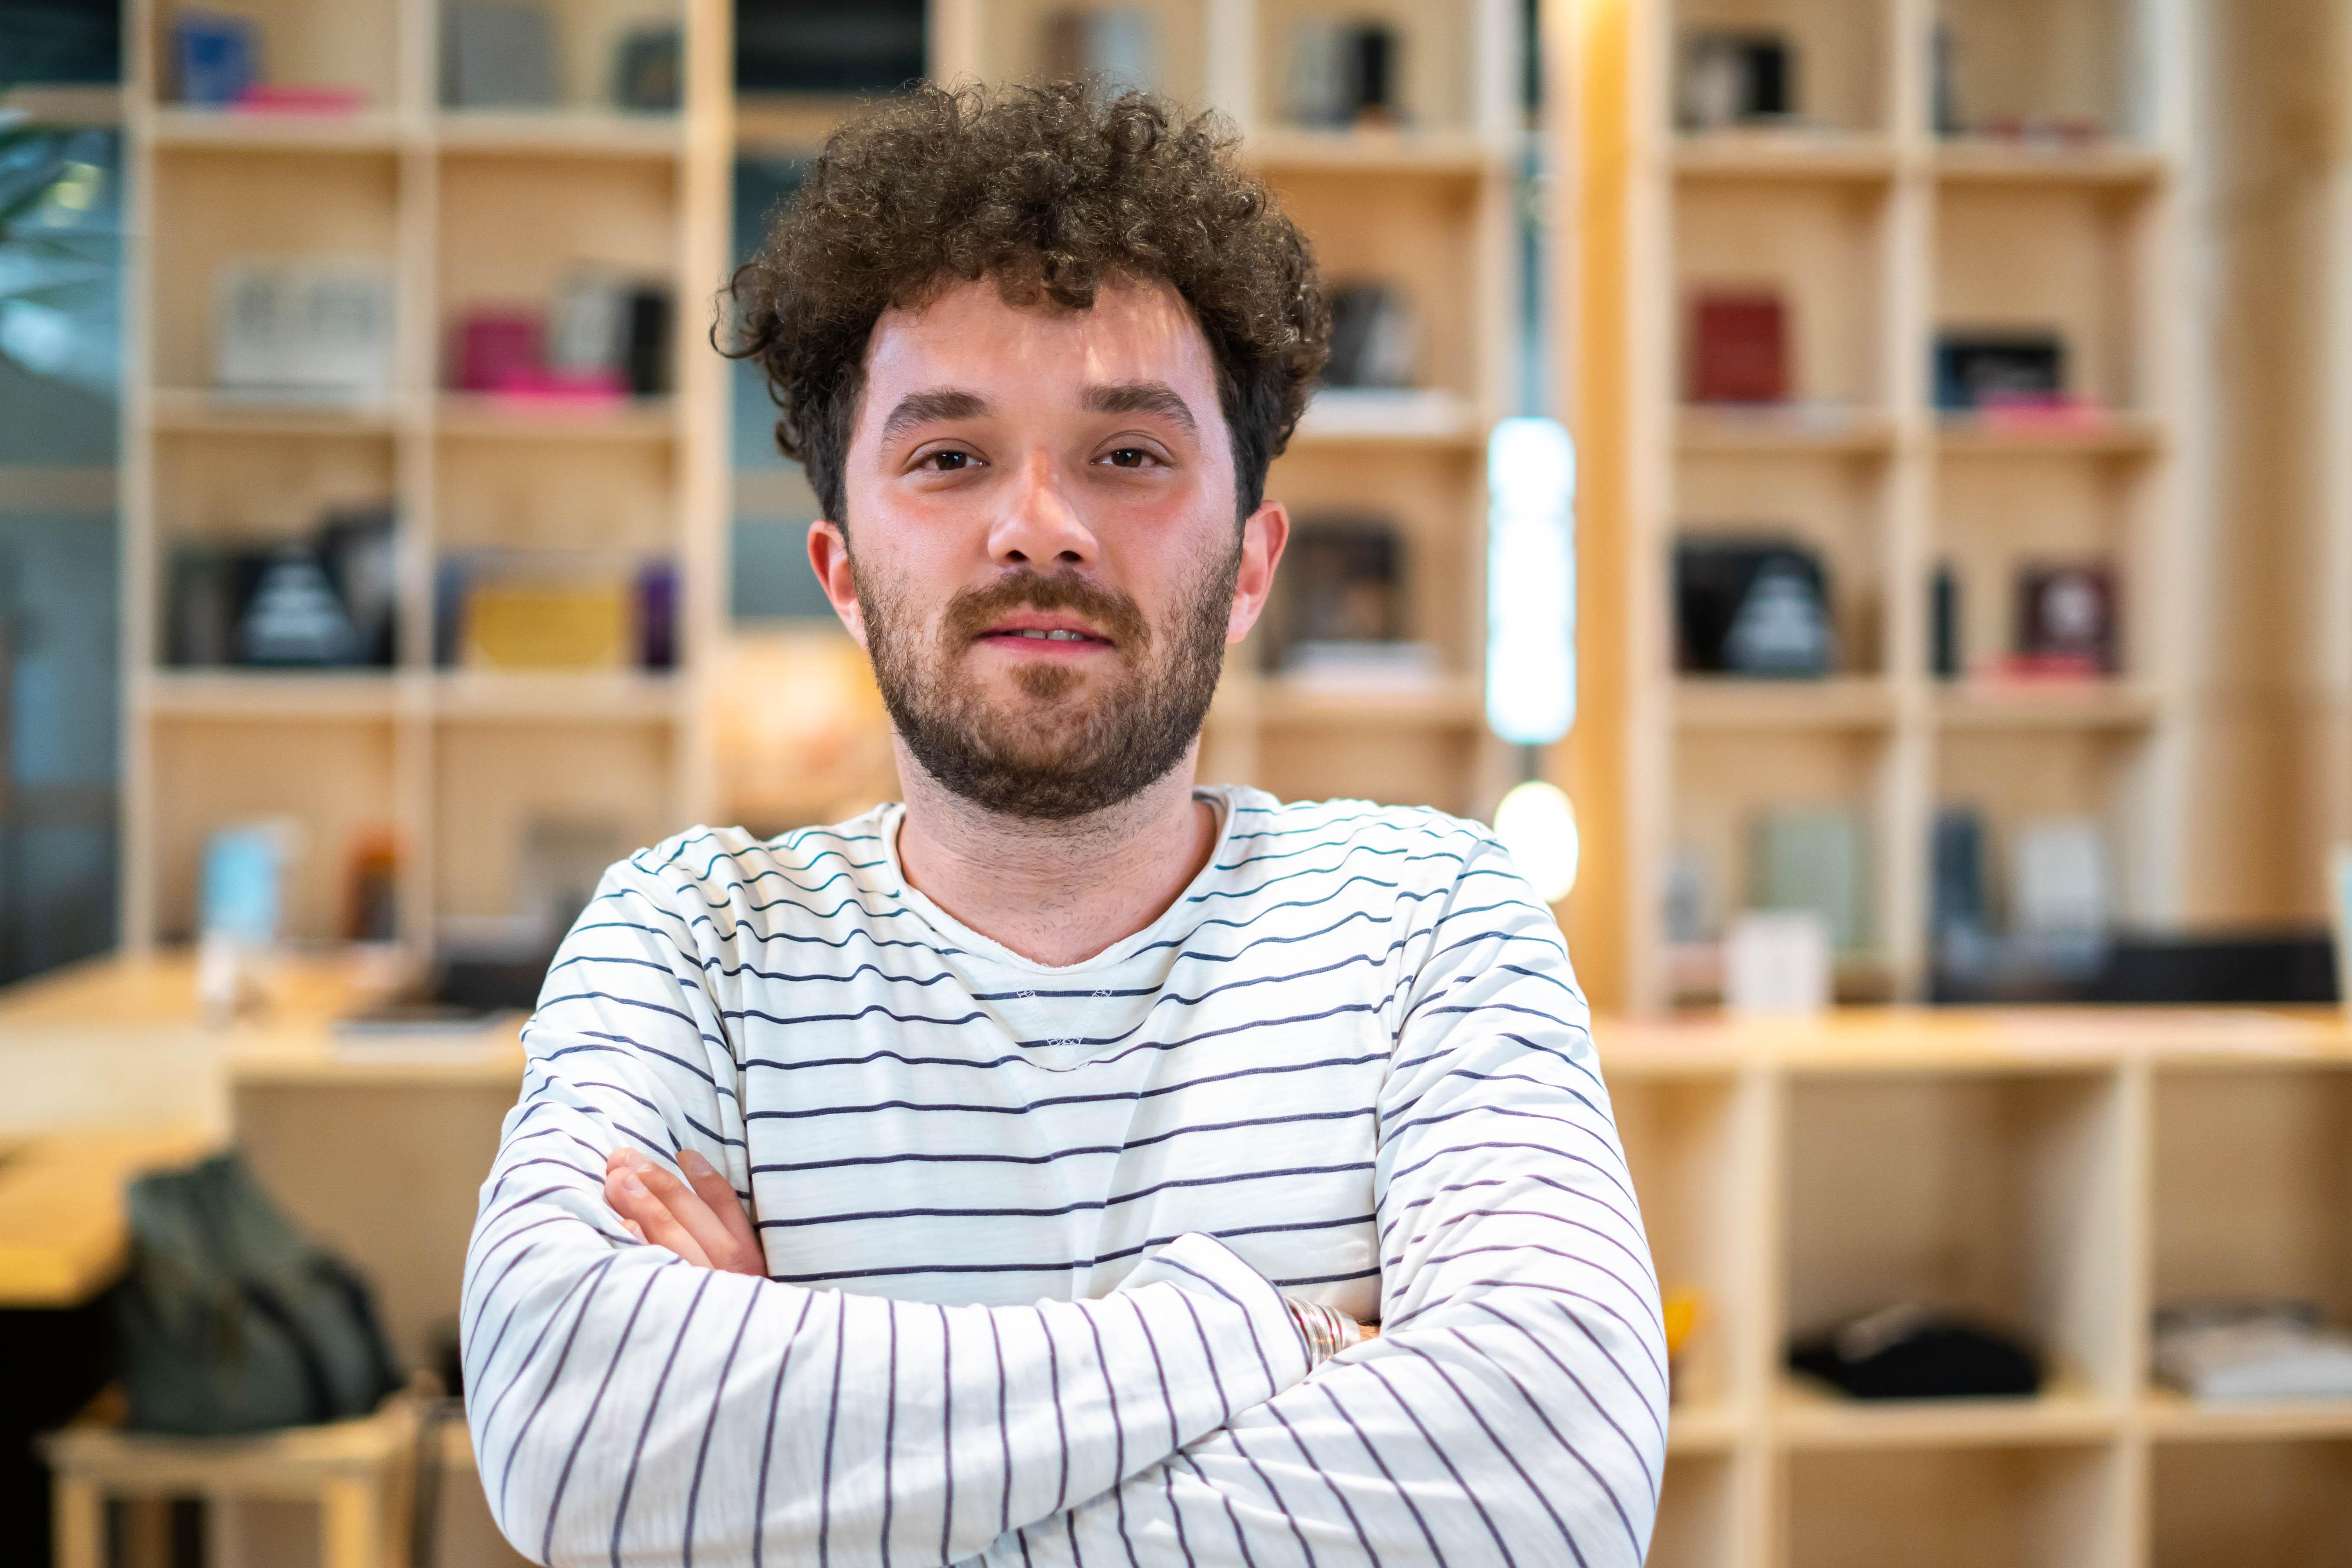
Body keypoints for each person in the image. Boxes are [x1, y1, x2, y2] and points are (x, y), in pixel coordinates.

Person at [463, 81, 1664, 1568]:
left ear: (1246, 564)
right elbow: (570, 1437)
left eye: (1130, 454)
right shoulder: (688, 942)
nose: (1040, 524)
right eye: (949, 457)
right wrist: (1268, 1340)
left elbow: (1557, 1491)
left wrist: (798, 1446)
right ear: (841, 571)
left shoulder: (1436, 922)